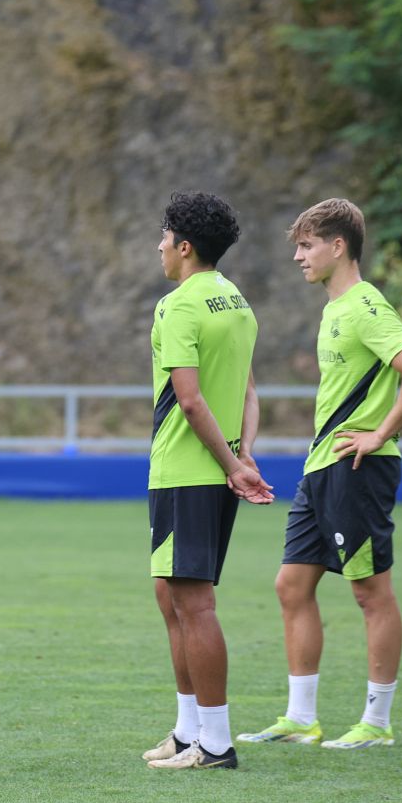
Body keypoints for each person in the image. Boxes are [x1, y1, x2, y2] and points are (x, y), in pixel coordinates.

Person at [237, 198, 402, 750]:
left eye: (306, 245)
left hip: (358, 467)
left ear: (338, 246)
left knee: (371, 591)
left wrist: (380, 434)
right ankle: (301, 718)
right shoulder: (333, 309)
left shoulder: (365, 306)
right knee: (291, 584)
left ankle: (377, 722)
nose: (298, 257)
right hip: (322, 466)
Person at [142, 192, 273, 772]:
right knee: (171, 596)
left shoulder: (179, 306)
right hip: (217, 470)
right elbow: (248, 392)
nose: (160, 245)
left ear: (185, 246)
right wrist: (244, 457)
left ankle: (215, 744)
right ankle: (188, 728)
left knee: (194, 604)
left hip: (188, 471)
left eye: (165, 235)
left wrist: (230, 465)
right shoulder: (238, 303)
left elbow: (191, 401)